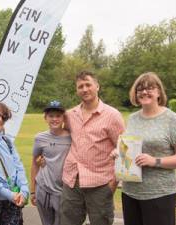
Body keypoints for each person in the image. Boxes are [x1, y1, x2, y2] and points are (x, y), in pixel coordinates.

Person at [118, 72, 176, 225]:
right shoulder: (132, 118)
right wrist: (119, 153)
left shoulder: (172, 119)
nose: (144, 92)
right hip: (130, 192)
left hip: (159, 194)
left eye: (150, 88)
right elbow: (128, 146)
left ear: (159, 92)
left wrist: (155, 161)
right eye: (140, 89)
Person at [60, 70, 125, 225]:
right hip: (72, 181)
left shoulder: (112, 115)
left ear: (97, 86)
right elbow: (63, 138)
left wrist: (113, 184)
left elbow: (124, 149)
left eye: (88, 84)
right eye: (80, 86)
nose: (84, 89)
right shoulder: (70, 115)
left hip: (100, 183)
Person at [30, 100, 71, 225]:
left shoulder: (72, 137)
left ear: (63, 117)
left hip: (63, 192)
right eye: (51, 116)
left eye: (58, 116)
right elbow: (35, 163)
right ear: (45, 118)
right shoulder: (40, 138)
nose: (54, 119)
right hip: (43, 189)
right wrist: (33, 191)